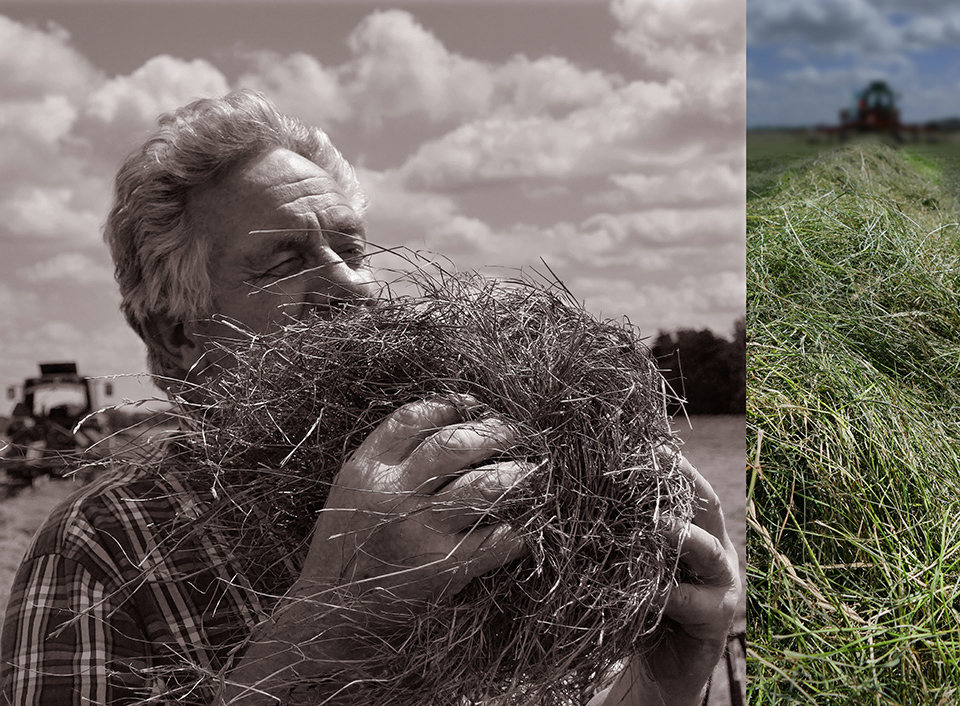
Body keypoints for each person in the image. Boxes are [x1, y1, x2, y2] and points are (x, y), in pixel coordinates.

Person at [0, 90, 739, 705]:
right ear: (175, 334)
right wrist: (338, 621)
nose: (353, 286)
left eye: (352, 250)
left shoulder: (475, 487)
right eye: (283, 260)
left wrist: (660, 683)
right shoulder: (103, 550)